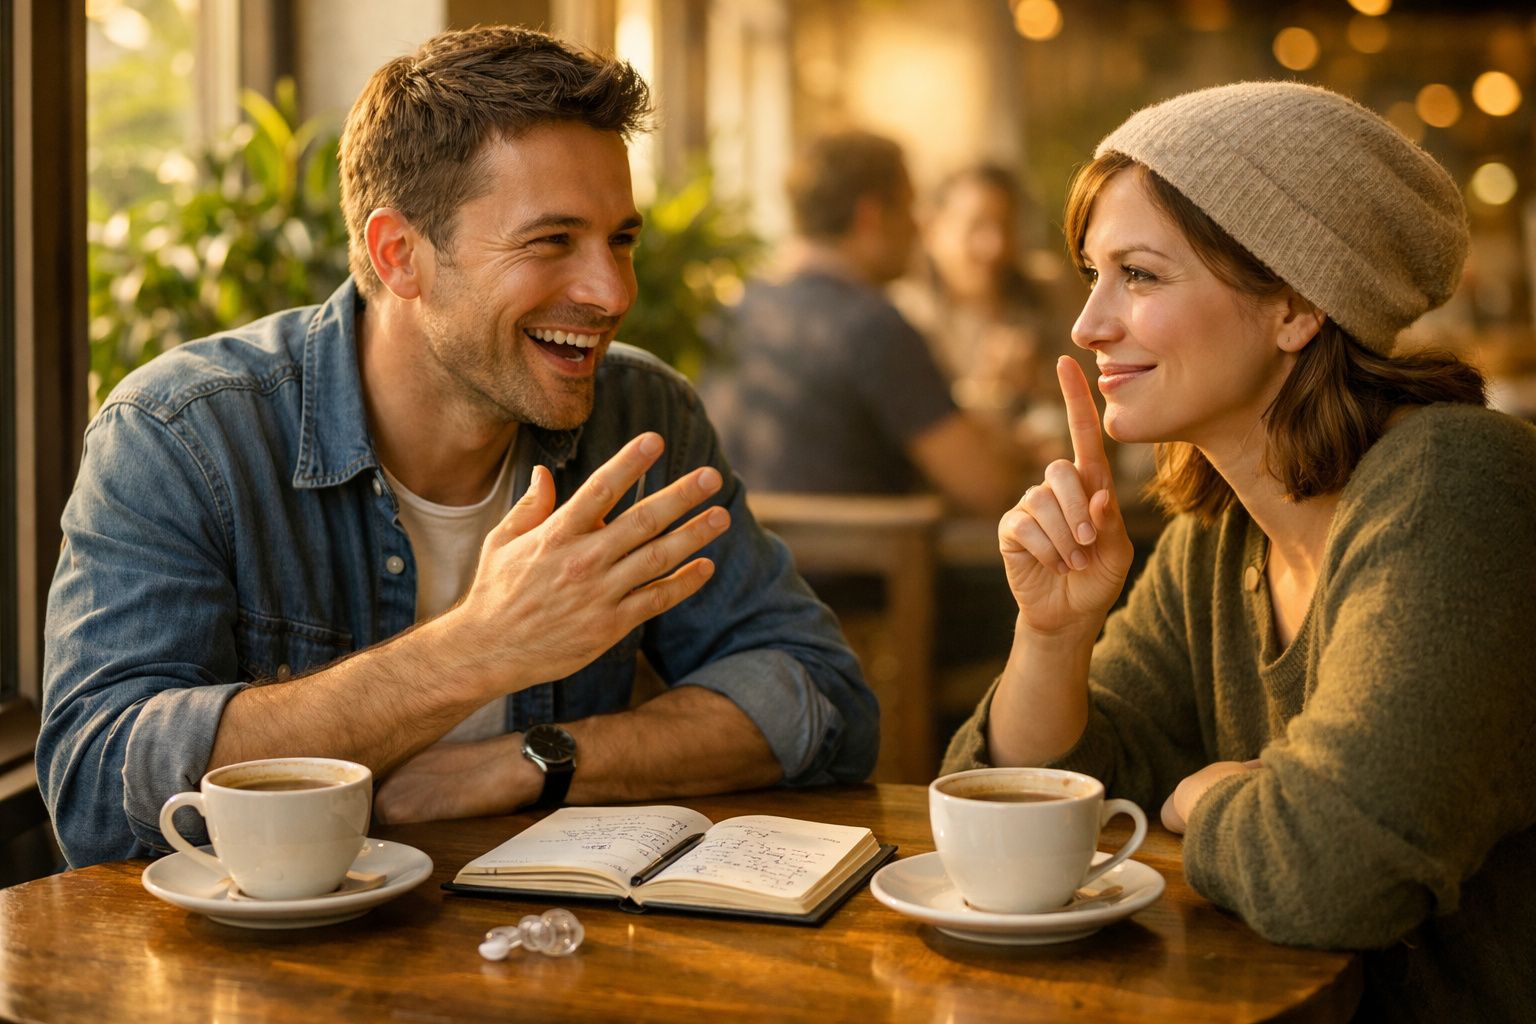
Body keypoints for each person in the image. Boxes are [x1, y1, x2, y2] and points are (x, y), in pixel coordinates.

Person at [39, 26, 877, 869]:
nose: (612, 290)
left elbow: (819, 697)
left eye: (621, 239)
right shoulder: (183, 433)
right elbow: (98, 789)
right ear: (399, 255)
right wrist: (479, 646)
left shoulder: (638, 414)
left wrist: (522, 764)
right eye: (552, 241)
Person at [943, 82, 1536, 1020]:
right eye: (1093, 273)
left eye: (1137, 274)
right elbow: (1047, 810)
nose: (1088, 323)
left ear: (1296, 305)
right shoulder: (1215, 538)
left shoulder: (1457, 485)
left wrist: (1197, 800)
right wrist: (1051, 636)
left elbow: (1341, 870)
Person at [701, 131, 1028, 516]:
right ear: (870, 217)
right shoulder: (875, 327)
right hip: (853, 572)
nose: (918, 227)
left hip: (739, 568)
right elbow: (987, 488)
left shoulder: (736, 310)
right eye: (908, 208)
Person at [891, 162, 1066, 466]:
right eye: (976, 227)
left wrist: (1041, 381)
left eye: (1005, 226)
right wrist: (985, 391)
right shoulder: (903, 314)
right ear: (932, 229)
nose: (994, 246)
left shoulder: (1050, 291)